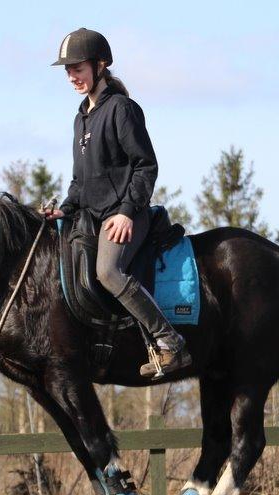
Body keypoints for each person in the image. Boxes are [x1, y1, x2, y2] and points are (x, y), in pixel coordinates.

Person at [44, 27, 191, 378]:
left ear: (101, 65)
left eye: (77, 68)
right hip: (92, 216)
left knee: (107, 271)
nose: (72, 77)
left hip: (128, 215)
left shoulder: (122, 109)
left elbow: (145, 167)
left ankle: (169, 341)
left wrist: (126, 212)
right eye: (68, 70)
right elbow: (81, 182)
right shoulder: (81, 118)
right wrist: (64, 208)